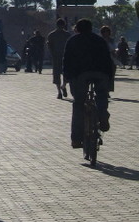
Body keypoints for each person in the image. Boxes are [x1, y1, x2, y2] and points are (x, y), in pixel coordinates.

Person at [63, 18, 114, 149]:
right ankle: (102, 113)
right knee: (102, 96)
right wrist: (108, 78)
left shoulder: (73, 40)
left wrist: (67, 77)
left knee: (79, 103)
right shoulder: (100, 40)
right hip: (100, 73)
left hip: (80, 75)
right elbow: (108, 61)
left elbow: (67, 60)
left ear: (77, 29)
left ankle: (76, 139)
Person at [47, 18, 70, 99]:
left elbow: (49, 46)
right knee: (63, 75)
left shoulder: (51, 35)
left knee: (59, 75)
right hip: (62, 57)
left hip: (59, 57)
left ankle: (61, 89)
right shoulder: (67, 35)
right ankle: (61, 89)